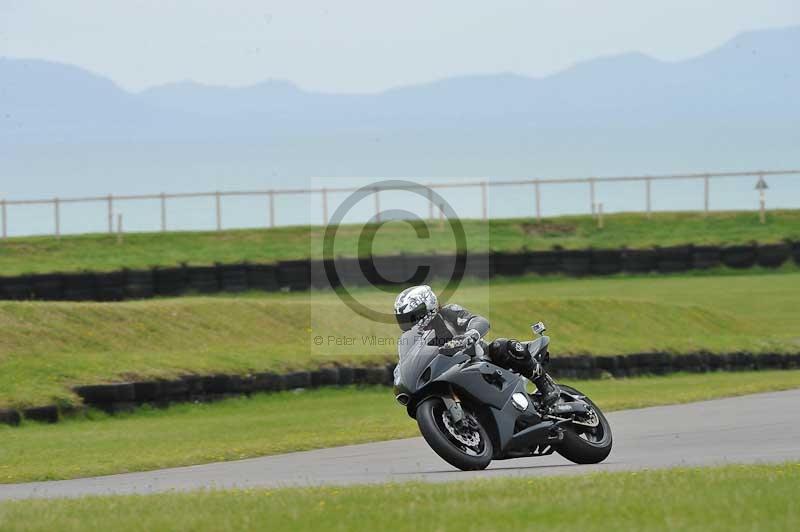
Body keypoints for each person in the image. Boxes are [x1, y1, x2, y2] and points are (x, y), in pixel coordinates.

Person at [393, 284, 561, 408]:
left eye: (412, 317)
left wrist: (470, 334)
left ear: (427, 306)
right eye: (404, 319)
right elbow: (408, 360)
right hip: (448, 371)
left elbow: (479, 321)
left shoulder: (447, 313)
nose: (409, 323)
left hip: (479, 358)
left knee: (501, 346)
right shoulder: (410, 339)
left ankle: (546, 385)